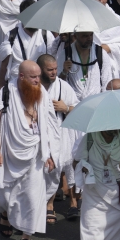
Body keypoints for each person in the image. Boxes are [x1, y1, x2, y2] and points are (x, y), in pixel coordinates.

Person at [0, 61, 60, 240]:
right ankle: (6, 214)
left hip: (36, 152)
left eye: (39, 76)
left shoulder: (42, 93)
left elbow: (50, 125)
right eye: (33, 77)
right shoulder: (5, 93)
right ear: (21, 76)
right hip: (9, 151)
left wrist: (49, 153)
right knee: (5, 196)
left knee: (33, 197)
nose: (37, 80)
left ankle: (26, 236)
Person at [37, 54, 80, 222]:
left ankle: (68, 203)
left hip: (62, 133)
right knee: (46, 169)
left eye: (56, 69)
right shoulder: (34, 86)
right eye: (50, 70)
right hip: (40, 134)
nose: (54, 72)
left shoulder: (63, 86)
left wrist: (66, 107)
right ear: (41, 70)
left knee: (66, 165)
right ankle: (46, 204)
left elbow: (78, 107)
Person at [56, 32, 112, 101]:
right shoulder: (65, 54)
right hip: (73, 104)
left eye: (91, 35)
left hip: (97, 102)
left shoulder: (100, 53)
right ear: (76, 37)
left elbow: (107, 81)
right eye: (85, 36)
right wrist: (64, 72)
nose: (89, 38)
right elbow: (58, 84)